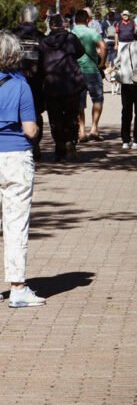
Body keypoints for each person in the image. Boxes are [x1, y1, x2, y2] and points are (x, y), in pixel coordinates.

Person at [0, 32, 45, 307]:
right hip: (15, 156)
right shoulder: (21, 86)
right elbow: (30, 129)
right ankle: (17, 287)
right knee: (15, 223)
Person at [40, 15, 86, 161]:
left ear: (50, 25)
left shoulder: (44, 42)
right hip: (71, 82)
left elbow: (39, 62)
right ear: (62, 24)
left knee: (55, 118)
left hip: (52, 84)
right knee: (72, 115)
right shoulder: (71, 38)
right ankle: (70, 142)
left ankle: (59, 148)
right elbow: (81, 52)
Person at [13, 5, 45, 161]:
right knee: (35, 112)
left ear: (21, 17)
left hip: (13, 80)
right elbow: (46, 59)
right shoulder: (40, 36)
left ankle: (20, 144)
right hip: (35, 81)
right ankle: (35, 144)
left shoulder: (12, 35)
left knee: (16, 112)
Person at [72, 9, 106, 141]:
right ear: (87, 20)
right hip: (92, 70)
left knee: (79, 103)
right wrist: (102, 63)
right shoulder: (92, 32)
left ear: (75, 20)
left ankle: (81, 132)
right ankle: (94, 128)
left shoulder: (72, 33)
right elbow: (103, 46)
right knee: (97, 99)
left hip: (77, 72)